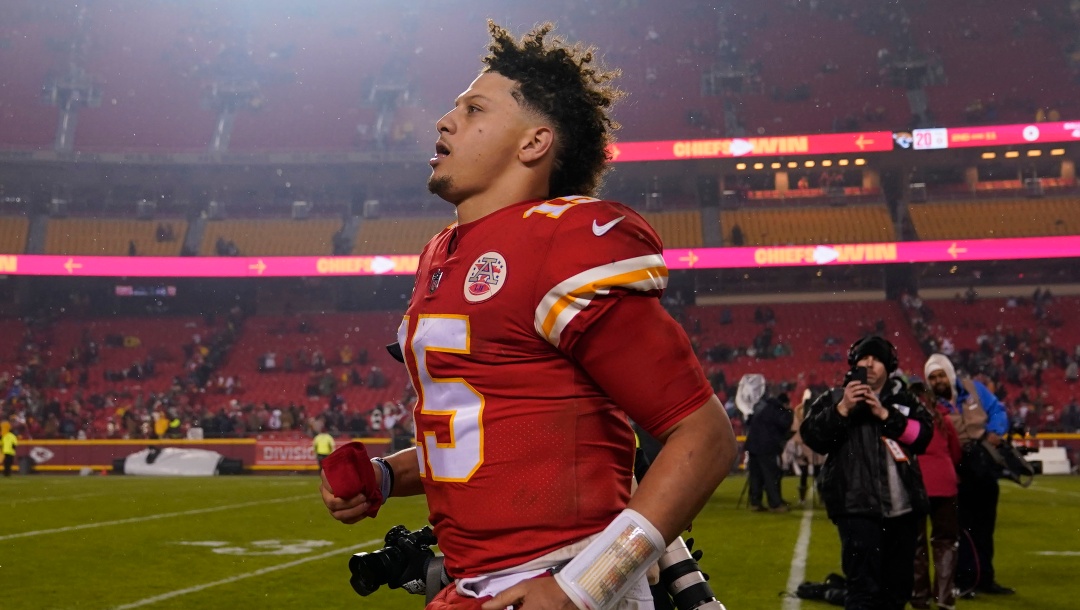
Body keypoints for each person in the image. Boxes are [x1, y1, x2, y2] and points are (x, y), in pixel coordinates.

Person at [319, 21, 737, 610]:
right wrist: (387, 477)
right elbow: (486, 434)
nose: (445, 120)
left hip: (561, 580)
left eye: (474, 108)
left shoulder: (563, 242)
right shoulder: (441, 254)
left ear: (533, 142)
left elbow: (707, 437)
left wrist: (584, 587)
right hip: (472, 583)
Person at [800, 336, 933, 610]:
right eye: (864, 358)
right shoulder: (834, 397)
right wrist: (843, 409)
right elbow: (812, 436)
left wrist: (886, 414)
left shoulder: (902, 399)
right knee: (862, 590)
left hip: (902, 510)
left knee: (897, 590)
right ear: (854, 363)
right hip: (856, 508)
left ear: (889, 366)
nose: (870, 364)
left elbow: (923, 437)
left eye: (877, 359)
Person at [924, 353, 1014, 597]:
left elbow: (997, 410)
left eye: (941, 374)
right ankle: (965, 581)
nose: (938, 381)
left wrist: (996, 432)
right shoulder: (929, 403)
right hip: (957, 470)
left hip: (983, 467)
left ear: (951, 374)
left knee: (985, 528)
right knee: (961, 531)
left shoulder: (975, 389)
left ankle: (986, 578)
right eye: (932, 377)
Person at [908, 382, 962, 610]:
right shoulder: (944, 420)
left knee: (916, 543)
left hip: (917, 484)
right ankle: (944, 597)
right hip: (945, 484)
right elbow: (956, 452)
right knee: (946, 542)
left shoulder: (908, 422)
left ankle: (919, 596)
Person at [745, 387, 794, 513]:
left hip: (752, 445)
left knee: (755, 476)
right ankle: (775, 504)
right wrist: (789, 412)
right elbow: (784, 424)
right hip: (766, 447)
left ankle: (755, 502)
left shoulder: (762, 407)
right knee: (771, 475)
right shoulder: (777, 410)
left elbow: (749, 421)